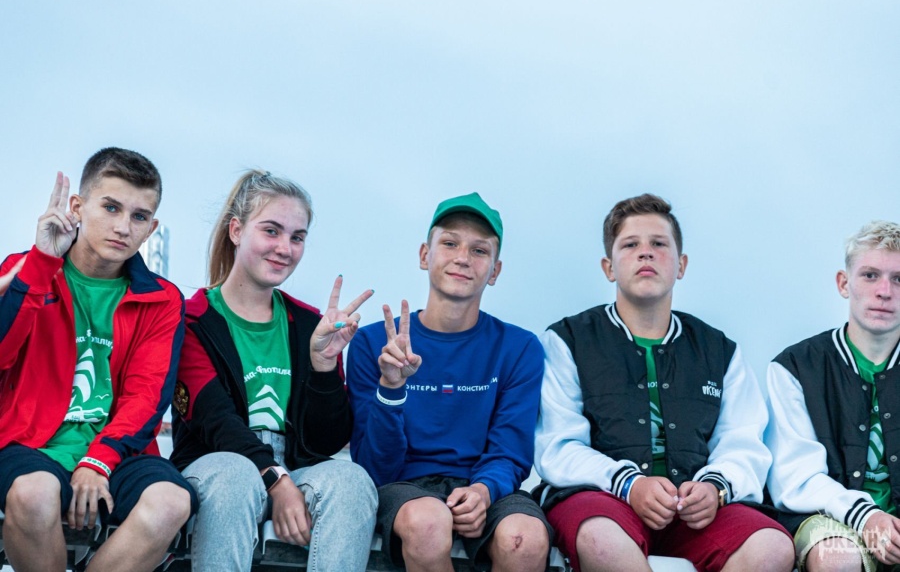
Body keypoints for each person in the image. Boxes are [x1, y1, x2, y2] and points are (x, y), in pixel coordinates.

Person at [533, 193, 794, 572]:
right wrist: (629, 484)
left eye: (659, 243)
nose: (646, 252)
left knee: (772, 547)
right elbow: (558, 445)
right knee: (602, 541)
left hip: (692, 509)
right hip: (600, 499)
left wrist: (715, 487)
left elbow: (743, 441)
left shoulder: (719, 350)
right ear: (608, 267)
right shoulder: (567, 340)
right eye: (630, 245)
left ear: (681, 264)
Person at [170, 169, 378, 572]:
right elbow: (215, 422)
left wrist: (323, 367)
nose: (285, 248)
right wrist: (276, 479)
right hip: (217, 466)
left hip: (294, 472)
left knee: (352, 482)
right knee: (234, 475)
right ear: (236, 230)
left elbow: (326, 442)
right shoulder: (192, 321)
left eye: (297, 237)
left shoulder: (308, 324)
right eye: (271, 231)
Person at [0, 148, 197, 572]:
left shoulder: (163, 299)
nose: (123, 227)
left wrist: (98, 459)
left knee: (171, 501)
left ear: (151, 228)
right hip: (28, 444)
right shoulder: (22, 269)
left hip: (116, 453)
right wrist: (40, 266)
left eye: (139, 216)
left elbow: (148, 395)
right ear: (77, 207)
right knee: (33, 494)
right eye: (111, 207)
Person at [347, 192, 551, 572]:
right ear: (425, 255)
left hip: (483, 483)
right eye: (450, 243)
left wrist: (483, 491)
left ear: (495, 271)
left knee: (524, 538)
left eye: (479, 250)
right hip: (404, 487)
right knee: (428, 523)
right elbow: (375, 468)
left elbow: (510, 448)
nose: (462, 258)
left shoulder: (519, 347)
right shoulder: (373, 343)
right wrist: (391, 388)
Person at [766, 220, 900, 571]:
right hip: (828, 519)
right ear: (844, 283)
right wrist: (866, 517)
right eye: (870, 275)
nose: (884, 291)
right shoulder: (795, 367)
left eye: (899, 279)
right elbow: (796, 477)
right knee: (837, 558)